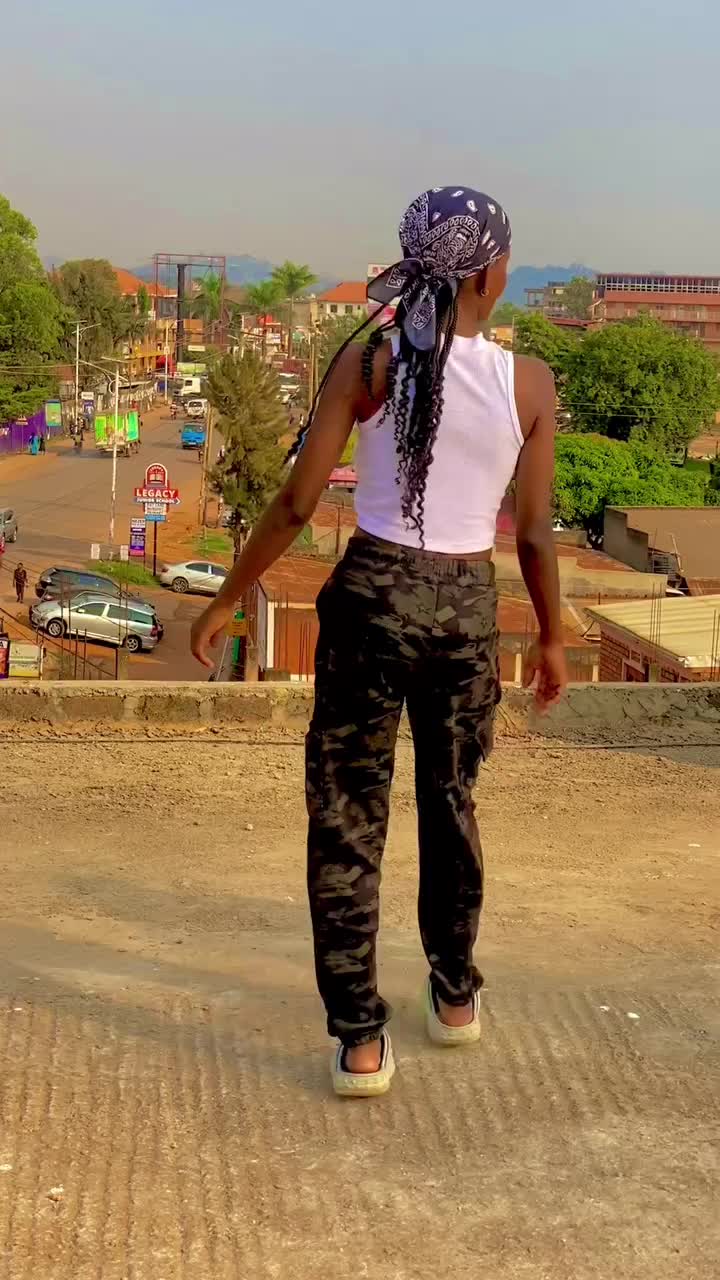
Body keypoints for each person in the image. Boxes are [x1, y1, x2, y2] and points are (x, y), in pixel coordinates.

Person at [191, 186, 567, 1097]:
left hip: (369, 597)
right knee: (451, 798)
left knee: (347, 812)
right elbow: (532, 534)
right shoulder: (529, 383)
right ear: (489, 274)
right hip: (465, 609)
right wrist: (554, 639)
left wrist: (227, 600)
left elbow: (297, 500)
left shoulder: (370, 359)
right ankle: (455, 996)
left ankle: (361, 1041)